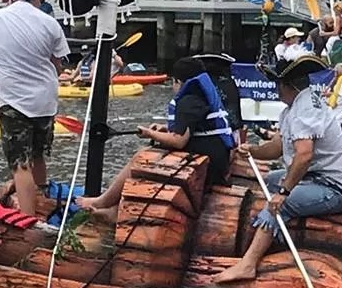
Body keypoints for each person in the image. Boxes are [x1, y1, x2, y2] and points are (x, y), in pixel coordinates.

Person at [212, 53, 342, 284]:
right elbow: (277, 148)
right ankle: (272, 232)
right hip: (315, 177)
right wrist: (253, 150)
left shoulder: (306, 109)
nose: (275, 90)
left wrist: (283, 193)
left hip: (337, 188)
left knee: (280, 204)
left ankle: (248, 263)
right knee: (271, 179)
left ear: (286, 85)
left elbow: (304, 155)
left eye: (277, 84)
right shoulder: (293, 108)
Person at [78, 56, 243, 221]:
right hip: (216, 155)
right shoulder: (199, 94)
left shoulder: (189, 100)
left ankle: (102, 202)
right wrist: (165, 129)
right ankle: (114, 211)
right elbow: (193, 128)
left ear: (178, 81)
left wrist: (149, 133)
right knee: (149, 157)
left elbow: (179, 141)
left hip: (210, 162)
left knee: (140, 158)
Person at [0, 0, 70, 219]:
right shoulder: (50, 23)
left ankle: (28, 219)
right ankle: (44, 205)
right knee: (38, 155)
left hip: (14, 99)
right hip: (45, 100)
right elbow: (57, 66)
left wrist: (0, 59)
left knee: (20, 163)